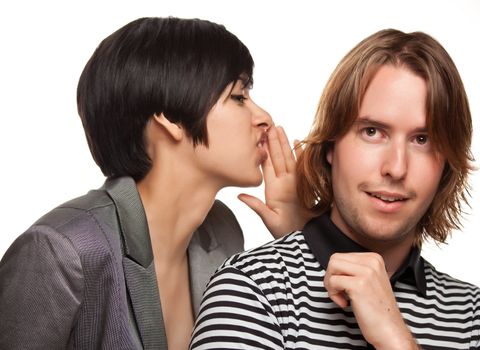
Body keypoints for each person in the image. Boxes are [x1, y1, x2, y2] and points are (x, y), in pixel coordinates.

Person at [190, 29, 480, 349]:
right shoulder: (253, 288)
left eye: (422, 140)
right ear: (331, 144)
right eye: (372, 131)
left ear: (446, 164)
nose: (396, 168)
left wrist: (396, 341)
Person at [0, 17, 304, 349]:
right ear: (170, 119)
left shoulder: (222, 233)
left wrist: (294, 241)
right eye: (239, 96)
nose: (264, 118)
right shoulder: (61, 251)